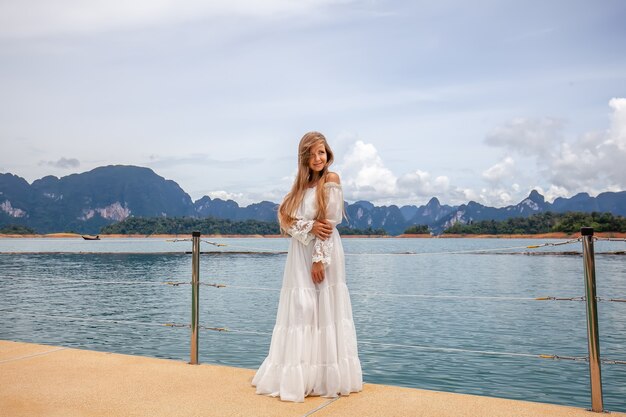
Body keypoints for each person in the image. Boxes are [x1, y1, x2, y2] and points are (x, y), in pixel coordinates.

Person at [252, 131, 363, 402]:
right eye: (312, 153)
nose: (318, 158)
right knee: (302, 310)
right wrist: (308, 226)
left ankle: (325, 377)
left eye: (322, 152)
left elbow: (329, 224)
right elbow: (286, 222)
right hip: (298, 255)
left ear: (328, 154)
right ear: (304, 157)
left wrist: (318, 259)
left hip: (320, 253)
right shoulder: (299, 187)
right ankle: (301, 376)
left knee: (324, 310)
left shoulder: (331, 179)